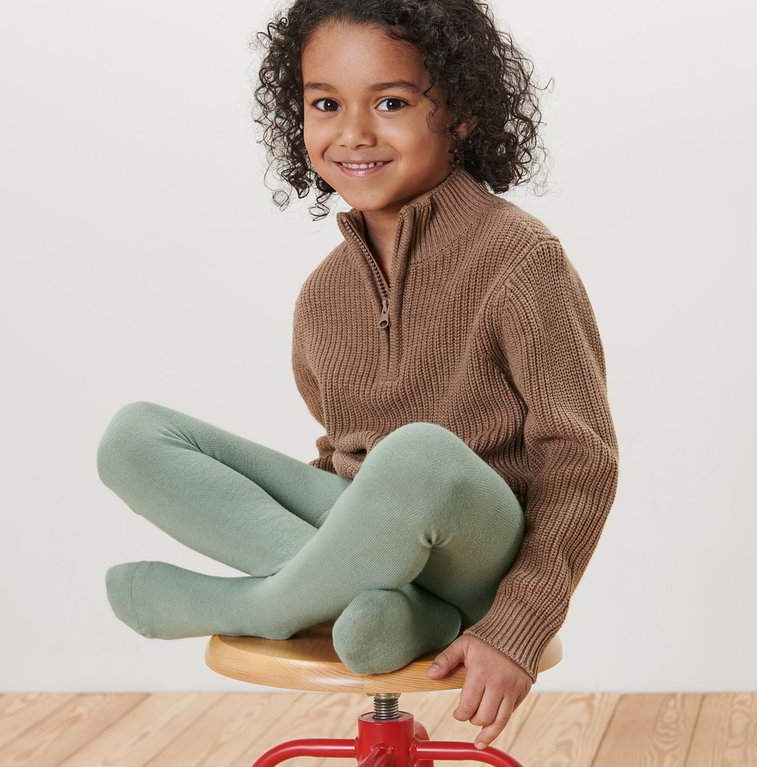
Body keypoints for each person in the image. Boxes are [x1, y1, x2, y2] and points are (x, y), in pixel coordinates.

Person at [97, 0, 618, 749]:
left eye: (392, 102)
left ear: (463, 112)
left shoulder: (521, 260)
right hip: (369, 541)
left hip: (481, 554)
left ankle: (268, 604)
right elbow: (341, 456)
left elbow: (582, 455)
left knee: (417, 453)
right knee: (134, 435)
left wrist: (518, 622)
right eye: (326, 104)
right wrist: (344, 537)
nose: (354, 132)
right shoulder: (321, 296)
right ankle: (385, 604)